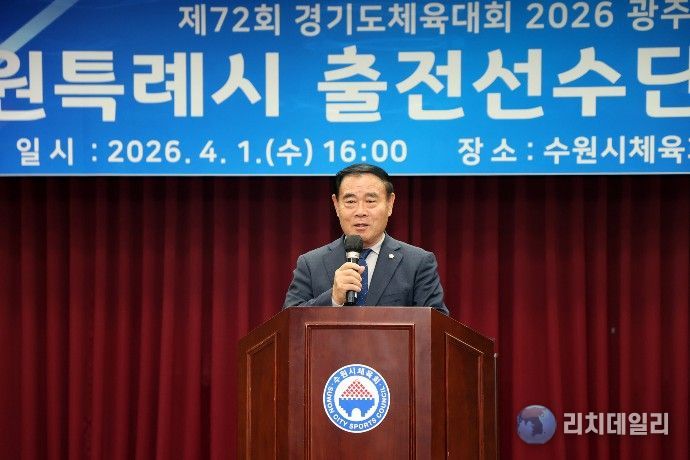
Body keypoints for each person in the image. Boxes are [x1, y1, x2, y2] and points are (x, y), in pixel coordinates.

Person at [283, 163, 448, 315]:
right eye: (350, 201)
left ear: (390, 204)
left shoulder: (418, 263)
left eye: (370, 201)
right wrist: (333, 299)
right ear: (336, 205)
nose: (360, 211)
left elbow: (436, 326)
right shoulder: (310, 264)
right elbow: (289, 322)